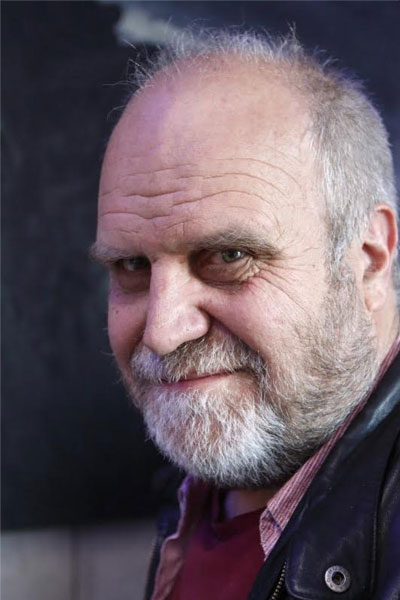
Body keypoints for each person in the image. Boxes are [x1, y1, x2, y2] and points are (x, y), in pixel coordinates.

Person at [91, 30, 400, 599]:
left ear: (369, 258)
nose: (162, 333)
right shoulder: (200, 474)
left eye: (230, 257)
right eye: (132, 265)